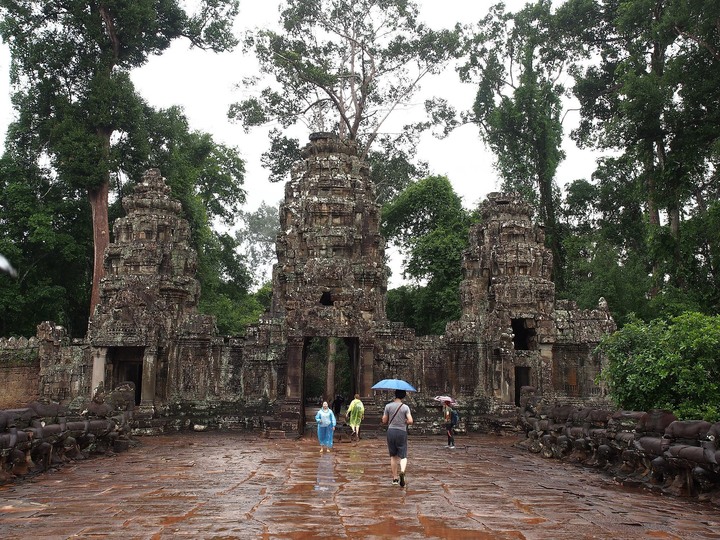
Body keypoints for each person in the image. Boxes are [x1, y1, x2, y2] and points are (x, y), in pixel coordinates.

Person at [382, 389, 413, 487]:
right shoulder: (405, 407)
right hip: (401, 432)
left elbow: (384, 420)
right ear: (403, 396)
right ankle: (402, 471)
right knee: (403, 455)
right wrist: (405, 421)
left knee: (393, 456)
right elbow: (410, 421)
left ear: (395, 395)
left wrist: (385, 418)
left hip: (391, 431)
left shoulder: (388, 406)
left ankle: (395, 479)